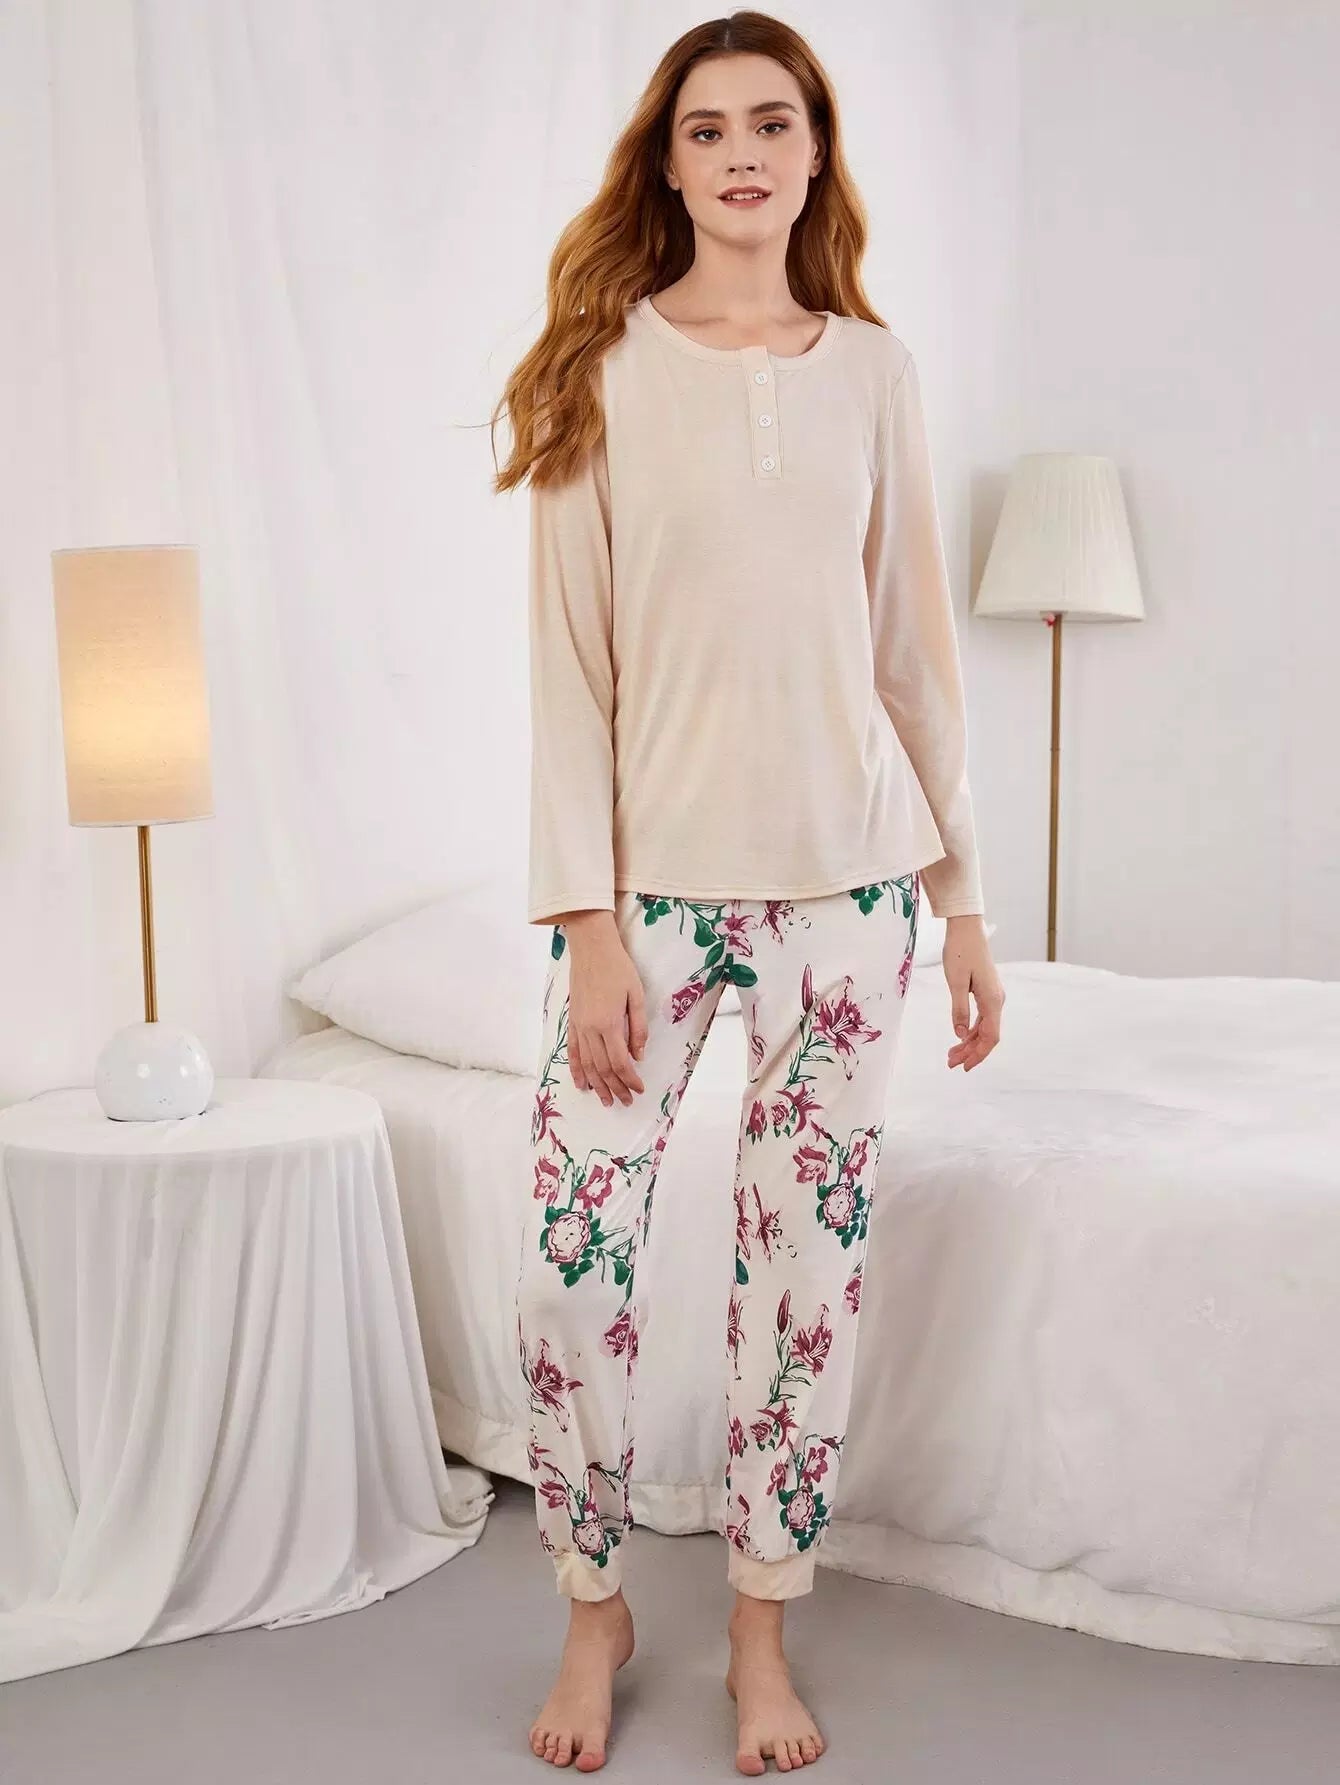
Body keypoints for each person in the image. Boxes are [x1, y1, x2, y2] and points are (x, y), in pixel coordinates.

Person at [492, 10, 1004, 1773]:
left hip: (852, 903)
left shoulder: (875, 373)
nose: (740, 154)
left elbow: (913, 655)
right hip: (652, 909)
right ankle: (595, 1601)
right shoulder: (602, 369)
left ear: (814, 150)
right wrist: (587, 927)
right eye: (705, 128)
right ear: (668, 161)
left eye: (771, 123)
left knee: (804, 1281)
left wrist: (963, 904)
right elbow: (569, 673)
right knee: (568, 1269)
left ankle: (761, 1631)